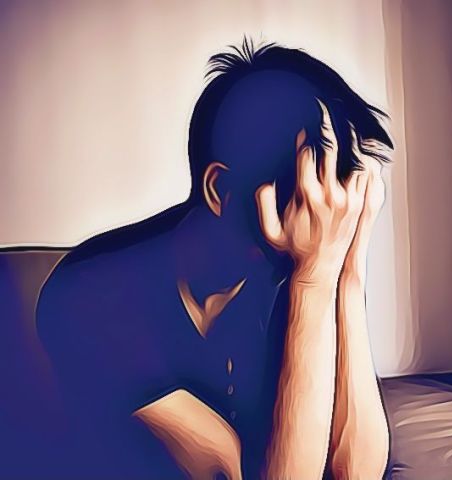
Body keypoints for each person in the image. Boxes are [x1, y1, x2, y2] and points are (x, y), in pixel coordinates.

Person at [37, 40, 393, 479]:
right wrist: (315, 280)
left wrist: (349, 269)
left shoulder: (296, 265)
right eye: (308, 194)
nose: (327, 218)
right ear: (221, 191)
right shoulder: (91, 299)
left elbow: (358, 471)